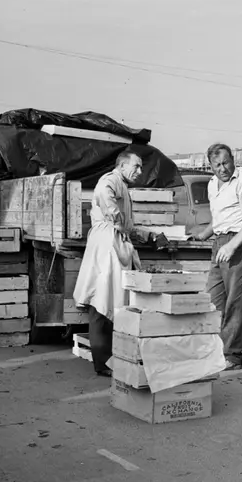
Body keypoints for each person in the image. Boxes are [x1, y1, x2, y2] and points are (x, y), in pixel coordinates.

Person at [190, 143, 242, 370]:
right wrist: (203, 234)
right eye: (217, 165)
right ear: (210, 166)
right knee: (213, 299)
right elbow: (219, 217)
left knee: (235, 302)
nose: (222, 168)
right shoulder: (212, 184)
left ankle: (232, 355)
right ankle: (214, 350)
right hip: (220, 243)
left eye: (226, 162)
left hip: (241, 244)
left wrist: (231, 246)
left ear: (233, 160)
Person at [74, 150, 143, 377]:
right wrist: (116, 217)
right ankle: (102, 361)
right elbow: (104, 194)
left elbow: (126, 223)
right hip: (108, 247)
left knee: (112, 301)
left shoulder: (122, 185)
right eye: (136, 166)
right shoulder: (110, 179)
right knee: (102, 301)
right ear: (122, 166)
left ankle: (111, 358)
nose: (139, 171)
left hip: (114, 245)